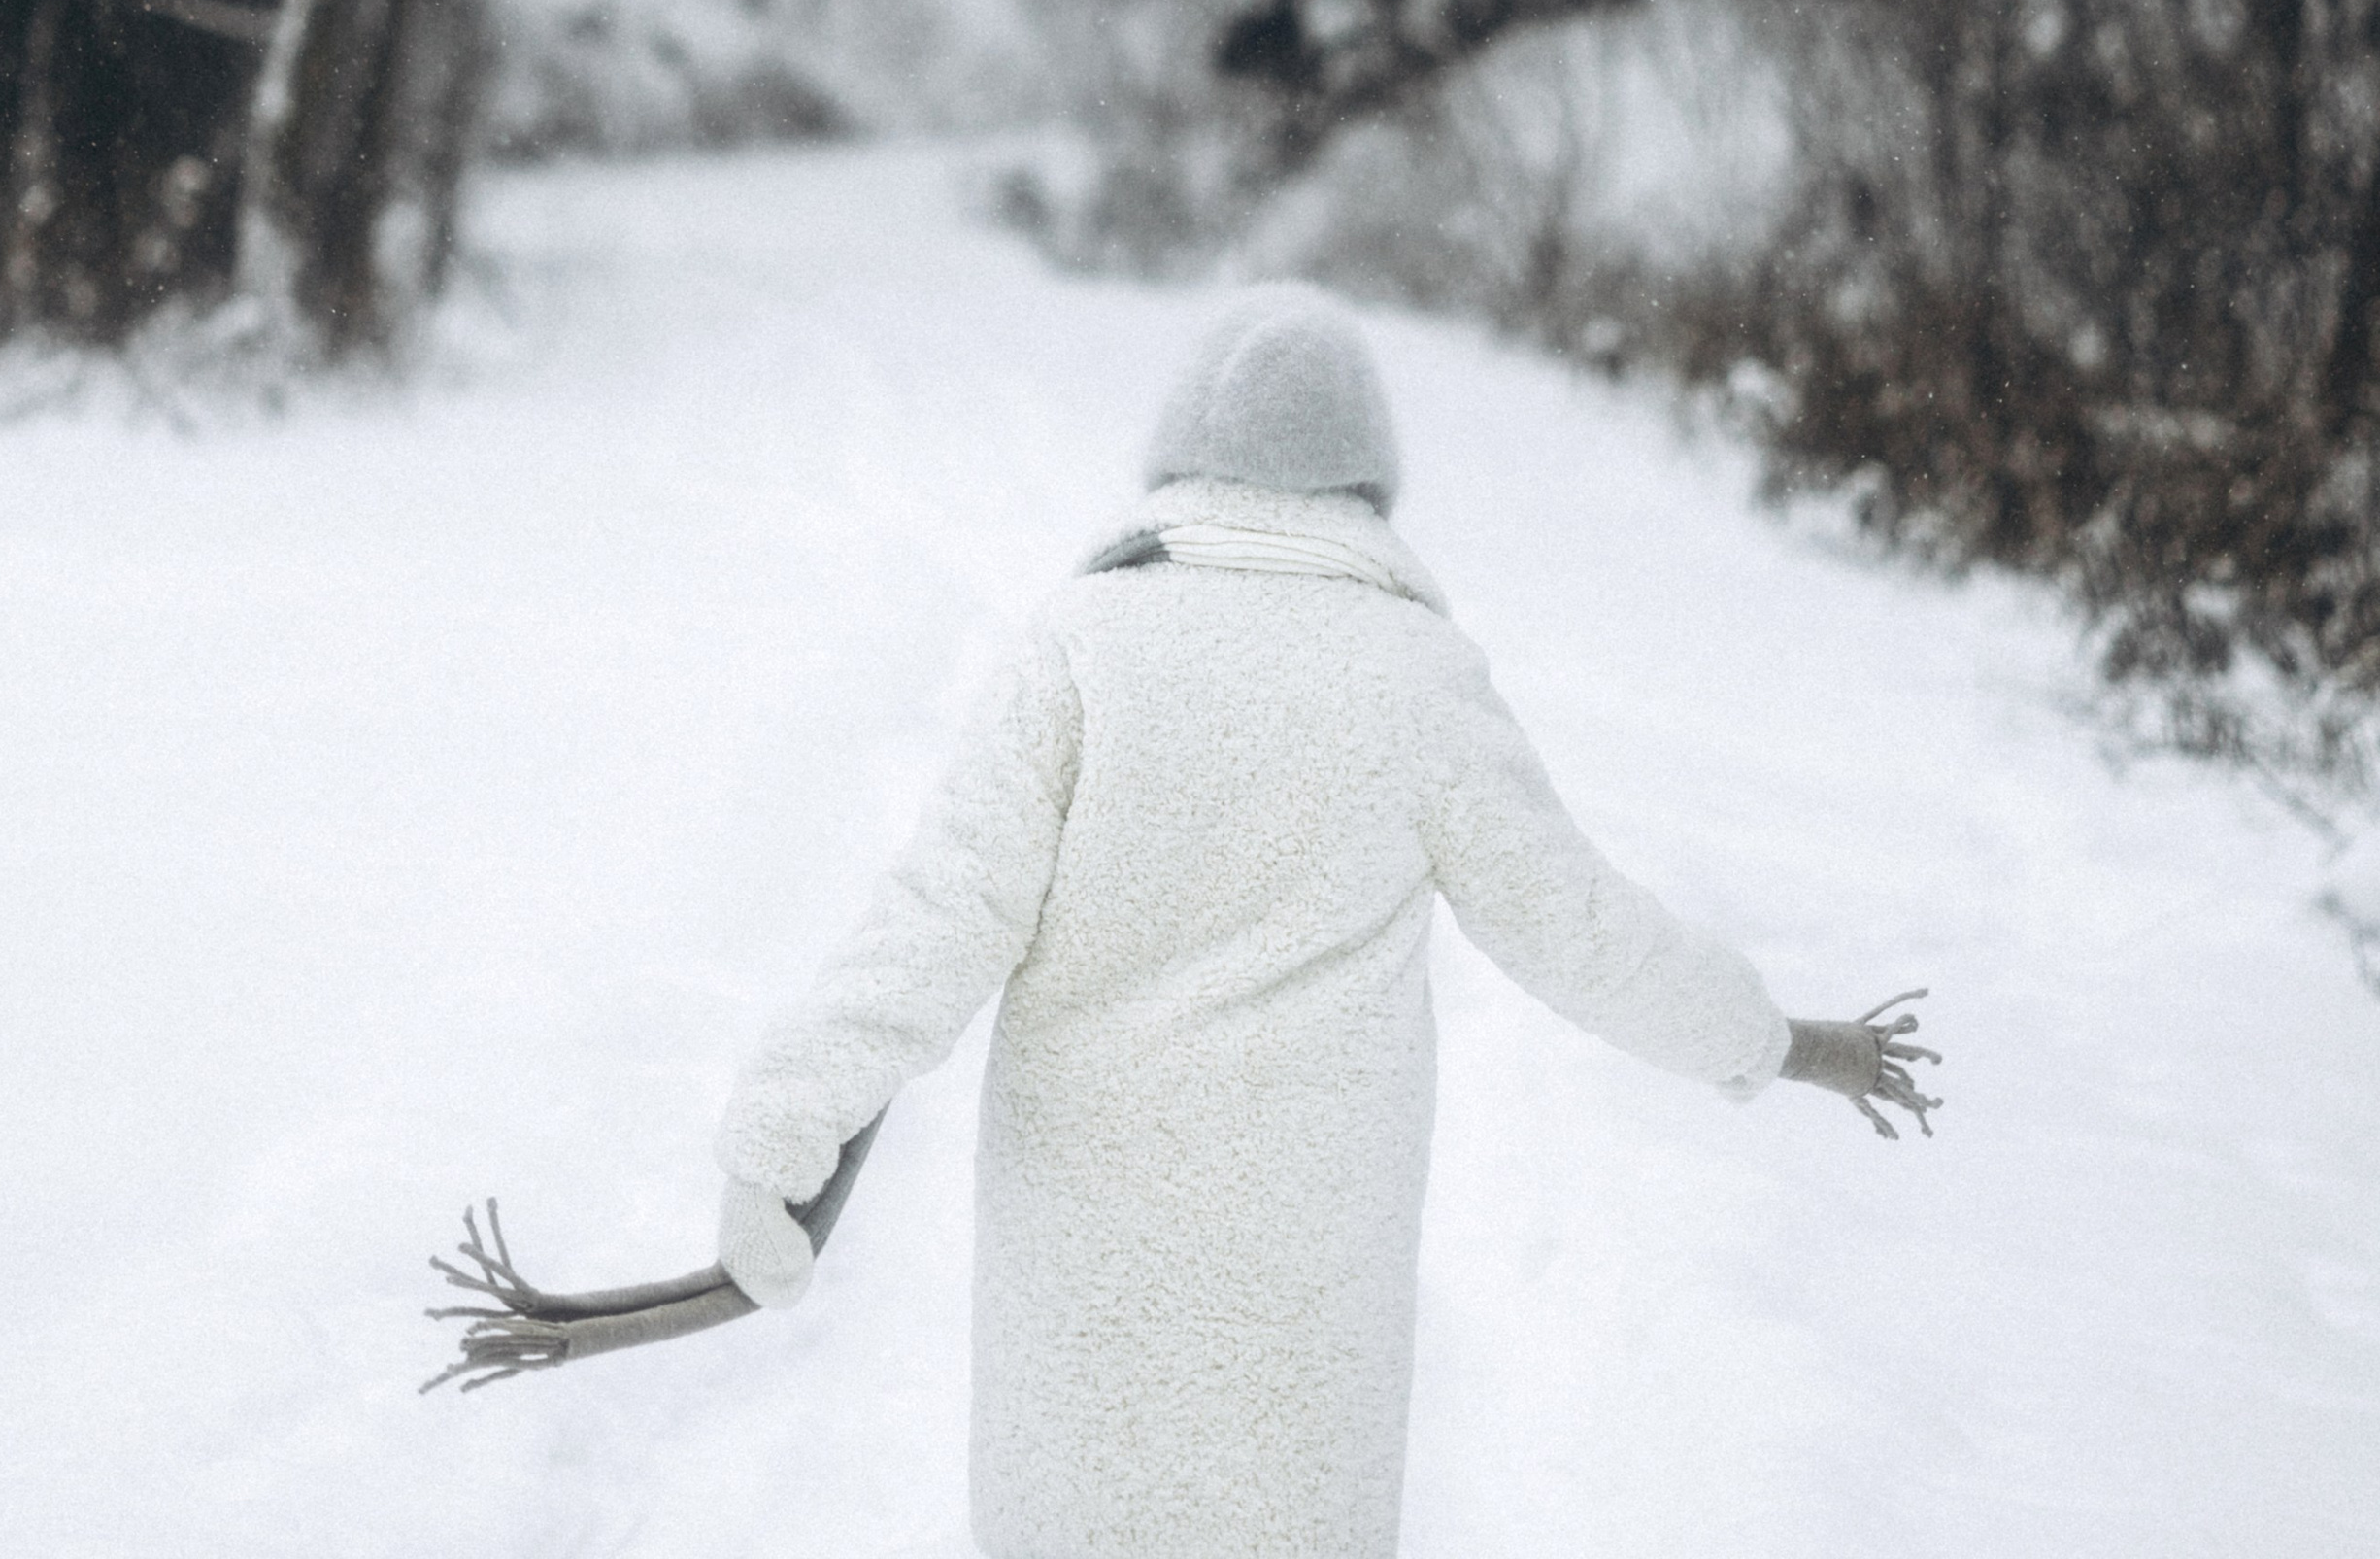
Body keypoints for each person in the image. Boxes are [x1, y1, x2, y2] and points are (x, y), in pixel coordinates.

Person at [712, 284, 1939, 1559]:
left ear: (1178, 462)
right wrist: (1777, 1041)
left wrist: (779, 1141)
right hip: (1303, 1293)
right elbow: (1581, 931)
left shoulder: (1081, 647)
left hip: (1088, 1270)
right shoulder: (1417, 680)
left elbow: (934, 917)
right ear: (1368, 486)